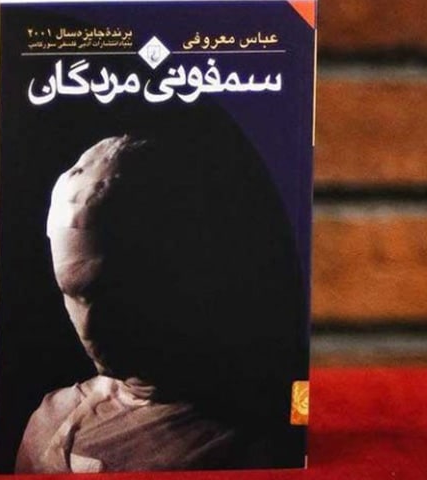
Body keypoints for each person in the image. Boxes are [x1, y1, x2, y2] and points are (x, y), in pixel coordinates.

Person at [16, 134, 306, 473]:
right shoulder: (49, 421)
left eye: (112, 292)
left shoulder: (262, 434)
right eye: (73, 294)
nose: (89, 326)